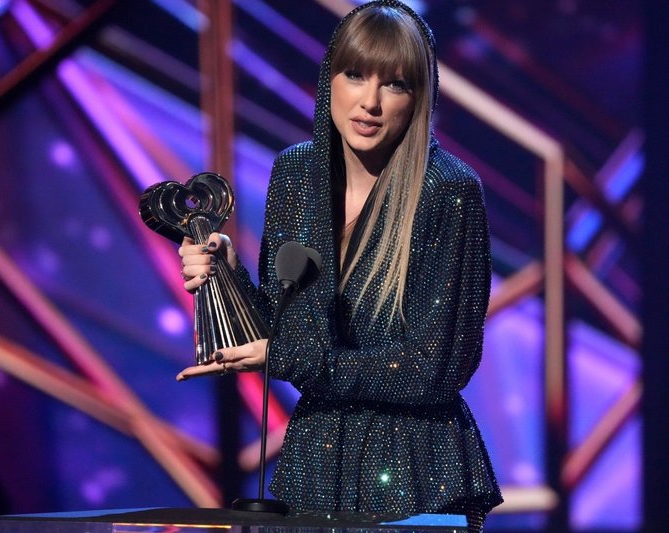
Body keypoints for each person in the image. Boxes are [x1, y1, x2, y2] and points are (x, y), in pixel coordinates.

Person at [178, 1, 502, 529]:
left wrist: (288, 359)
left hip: (413, 475)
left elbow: (433, 370)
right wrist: (228, 278)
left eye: (394, 85)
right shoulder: (295, 174)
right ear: (331, 78)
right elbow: (291, 336)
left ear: (420, 98)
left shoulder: (448, 192)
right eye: (355, 76)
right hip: (313, 465)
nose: (369, 102)